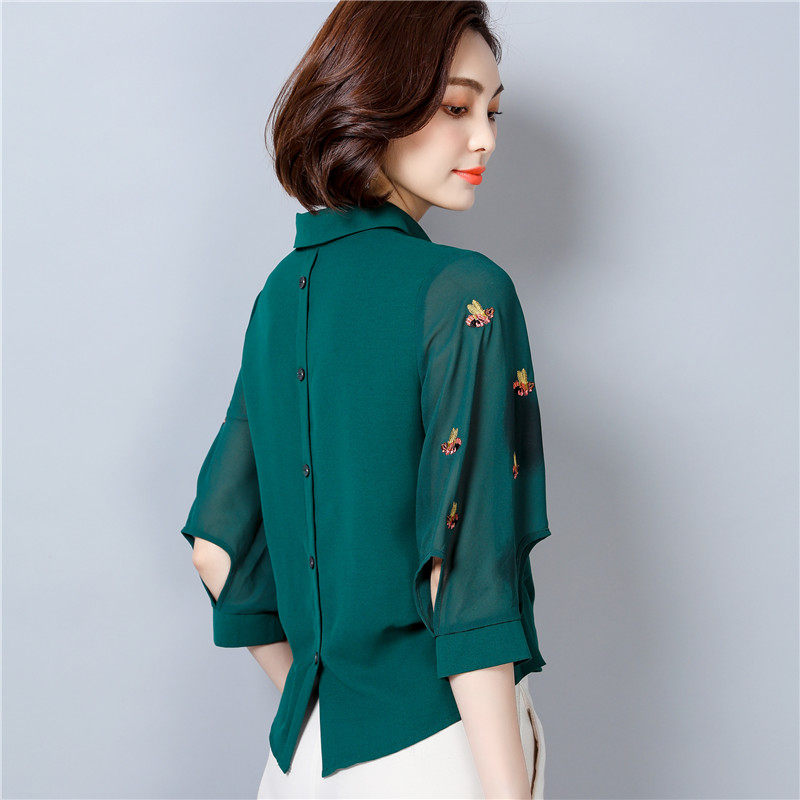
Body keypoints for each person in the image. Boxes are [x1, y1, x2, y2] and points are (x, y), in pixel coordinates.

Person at [181, 2, 553, 797]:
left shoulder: (280, 295)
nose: (484, 139)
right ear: (377, 100)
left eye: (491, 113)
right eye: (455, 108)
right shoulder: (465, 294)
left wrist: (321, 710)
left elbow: (217, 547)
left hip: (303, 760)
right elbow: (463, 578)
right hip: (443, 749)